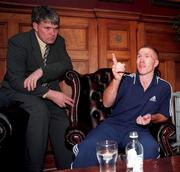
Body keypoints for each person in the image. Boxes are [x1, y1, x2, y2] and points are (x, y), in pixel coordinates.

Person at [72, 45, 173, 168]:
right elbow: (106, 103)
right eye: (139, 56)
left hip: (138, 130)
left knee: (149, 147)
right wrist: (116, 79)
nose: (141, 60)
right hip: (113, 126)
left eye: (147, 56)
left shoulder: (164, 87)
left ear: (155, 62)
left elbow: (164, 116)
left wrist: (151, 117)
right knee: (89, 146)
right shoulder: (125, 79)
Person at [0, 6, 74, 172]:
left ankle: (68, 168)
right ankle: (34, 168)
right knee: (39, 110)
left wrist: (42, 71)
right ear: (35, 26)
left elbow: (66, 64)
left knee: (62, 119)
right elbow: (16, 80)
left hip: (44, 91)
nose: (52, 33)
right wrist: (48, 93)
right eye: (47, 28)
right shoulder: (18, 42)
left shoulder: (59, 42)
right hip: (17, 90)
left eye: (55, 28)